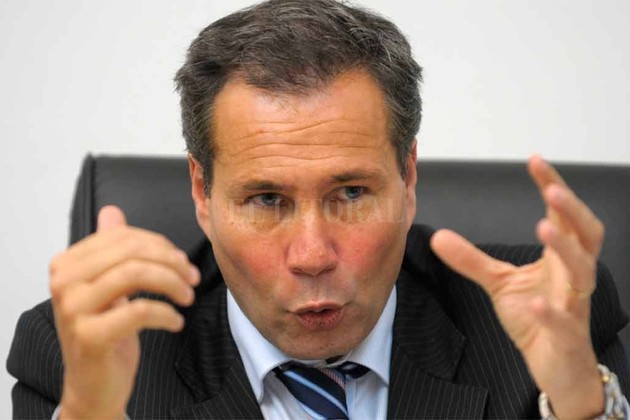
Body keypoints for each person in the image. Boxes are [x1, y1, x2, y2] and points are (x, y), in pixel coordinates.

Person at [8, 0, 629, 418]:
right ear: (202, 193)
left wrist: (580, 404)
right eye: (266, 200)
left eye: (351, 194)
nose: (312, 255)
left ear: (407, 177)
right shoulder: (82, 356)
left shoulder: (545, 312)